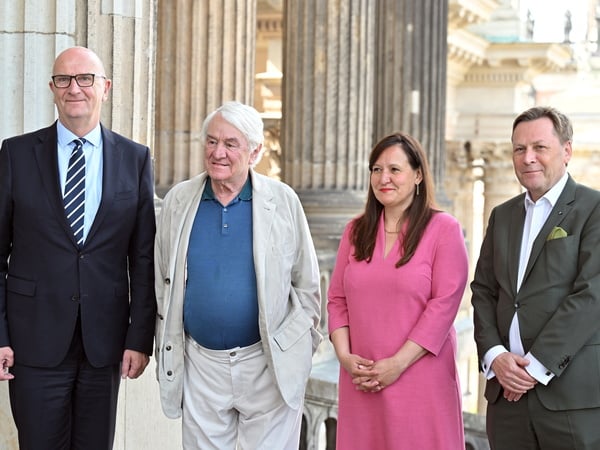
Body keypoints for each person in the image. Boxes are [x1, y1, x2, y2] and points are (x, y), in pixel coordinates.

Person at [0, 46, 156, 450]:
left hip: (104, 344)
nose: (75, 88)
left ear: (105, 87)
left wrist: (139, 338)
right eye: (64, 79)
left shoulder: (135, 159)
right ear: (52, 88)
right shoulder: (16, 154)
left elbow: (142, 260)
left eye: (85, 78)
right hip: (32, 341)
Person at [154, 101, 322, 449]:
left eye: (231, 144)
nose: (218, 153)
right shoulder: (178, 201)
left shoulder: (283, 201)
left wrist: (300, 346)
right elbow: (162, 280)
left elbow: (306, 284)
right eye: (212, 141)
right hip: (201, 365)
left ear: (255, 152)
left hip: (268, 364)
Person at [327, 132, 468, 449]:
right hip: (361, 380)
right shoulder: (355, 230)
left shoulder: (444, 230)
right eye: (376, 169)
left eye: (394, 169)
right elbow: (336, 300)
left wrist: (397, 364)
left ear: (418, 175)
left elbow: (444, 306)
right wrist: (345, 356)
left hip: (419, 378)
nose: (383, 178)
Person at [471, 106, 600, 449]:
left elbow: (591, 295)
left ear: (567, 150)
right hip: (505, 399)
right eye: (519, 149)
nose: (528, 158)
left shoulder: (594, 208)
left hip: (569, 398)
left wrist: (535, 367)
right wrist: (495, 355)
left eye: (539, 147)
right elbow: (483, 291)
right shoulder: (502, 216)